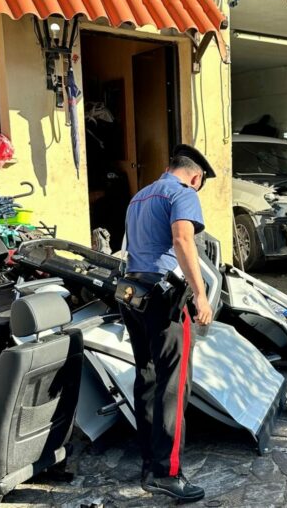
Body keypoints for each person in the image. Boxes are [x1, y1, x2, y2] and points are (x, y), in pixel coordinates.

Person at [119, 144, 215, 502]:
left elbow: (129, 246)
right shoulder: (182, 193)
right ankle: (167, 472)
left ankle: (149, 462)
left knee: (146, 376)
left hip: (131, 293)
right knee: (174, 385)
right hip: (162, 298)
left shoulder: (140, 196)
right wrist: (200, 293)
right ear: (195, 176)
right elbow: (182, 240)